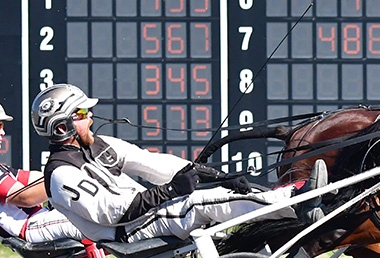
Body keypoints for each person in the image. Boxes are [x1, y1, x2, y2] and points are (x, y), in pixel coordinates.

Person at [31, 84, 325, 243]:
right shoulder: (61, 175)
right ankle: (298, 201)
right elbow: (115, 213)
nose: (91, 117)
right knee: (201, 204)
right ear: (61, 127)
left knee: (218, 194)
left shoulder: (100, 145)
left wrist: (220, 177)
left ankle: (292, 198)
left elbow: (156, 165)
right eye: (83, 113)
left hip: (145, 216)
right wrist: (171, 191)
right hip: (127, 231)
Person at [0, 103, 84, 243]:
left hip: (40, 220)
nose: (2, 132)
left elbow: (39, 178)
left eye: (1, 126)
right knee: (95, 221)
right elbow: (26, 198)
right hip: (31, 227)